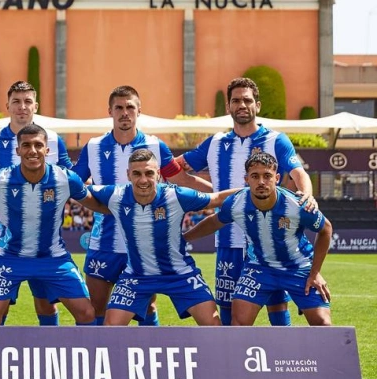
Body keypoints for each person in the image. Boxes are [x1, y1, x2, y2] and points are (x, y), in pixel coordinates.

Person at [0, 124, 107, 326]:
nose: (32, 150)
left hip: (52, 257)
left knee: (86, 313)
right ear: (17, 150)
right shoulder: (0, 179)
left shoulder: (65, 178)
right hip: (9, 256)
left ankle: (68, 348)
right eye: (26, 145)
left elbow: (97, 204)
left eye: (38, 145)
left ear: (47, 150)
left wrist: (129, 206)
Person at [176, 77, 318, 326]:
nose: (242, 105)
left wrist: (307, 194)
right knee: (229, 310)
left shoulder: (276, 140)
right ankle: (232, 353)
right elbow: (175, 169)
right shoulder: (215, 143)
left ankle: (280, 350)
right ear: (228, 107)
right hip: (228, 239)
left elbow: (298, 173)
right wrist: (214, 194)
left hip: (269, 241)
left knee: (277, 305)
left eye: (247, 100)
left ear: (257, 105)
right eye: (236, 101)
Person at [73, 85, 213, 326]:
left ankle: (148, 350)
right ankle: (103, 351)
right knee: (97, 306)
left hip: (146, 245)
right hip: (104, 242)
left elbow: (182, 179)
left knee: (147, 306)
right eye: (119, 107)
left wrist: (223, 194)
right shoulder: (93, 147)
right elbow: (75, 185)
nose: (124, 113)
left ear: (139, 111)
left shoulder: (156, 146)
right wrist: (103, 205)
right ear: (110, 111)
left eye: (130, 107)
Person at [0, 80, 74, 326]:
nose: (22, 107)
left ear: (36, 106)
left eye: (27, 102)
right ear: (7, 106)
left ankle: (49, 345)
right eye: (16, 101)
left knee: (46, 302)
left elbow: (71, 178)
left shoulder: (53, 140)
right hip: (2, 238)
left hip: (45, 241)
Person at [90, 149, 236, 326]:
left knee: (213, 326)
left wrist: (252, 190)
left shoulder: (176, 196)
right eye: (136, 174)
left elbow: (217, 198)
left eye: (149, 173)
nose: (143, 180)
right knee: (110, 329)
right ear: (128, 175)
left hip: (180, 275)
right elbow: (81, 192)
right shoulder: (116, 195)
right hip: (137, 276)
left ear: (158, 174)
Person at [184, 152, 332, 326]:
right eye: (255, 176)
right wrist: (184, 238)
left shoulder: (297, 205)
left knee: (323, 324)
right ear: (247, 179)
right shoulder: (236, 202)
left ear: (277, 178)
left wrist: (314, 273)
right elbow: (214, 222)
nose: (261, 182)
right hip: (259, 267)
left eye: (267, 176)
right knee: (239, 323)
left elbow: (326, 229)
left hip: (298, 267)